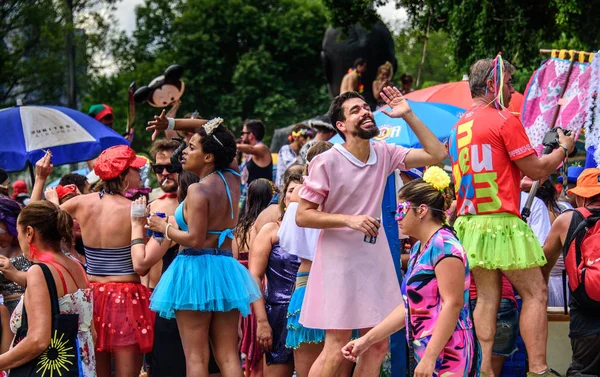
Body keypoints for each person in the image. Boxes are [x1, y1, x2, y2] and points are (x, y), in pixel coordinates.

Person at [295, 87, 447, 377]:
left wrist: (408, 114)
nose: (365, 111)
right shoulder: (326, 160)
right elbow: (303, 215)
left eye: (366, 107)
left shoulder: (384, 152)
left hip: (374, 259)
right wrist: (349, 220)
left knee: (377, 346)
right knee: (336, 346)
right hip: (338, 261)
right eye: (355, 110)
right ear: (341, 126)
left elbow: (437, 153)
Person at [448, 56, 575, 377]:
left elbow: (487, 176)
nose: (513, 89)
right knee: (535, 292)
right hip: (500, 224)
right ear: (493, 85)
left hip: (470, 225)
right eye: (509, 83)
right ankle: (538, 369)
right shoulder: (503, 120)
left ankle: (485, 370)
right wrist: (563, 150)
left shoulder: (458, 126)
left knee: (487, 298)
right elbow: (537, 168)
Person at [144, 117, 261, 376]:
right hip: (224, 269)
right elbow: (217, 129)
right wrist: (172, 122)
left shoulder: (197, 190)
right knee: (229, 354)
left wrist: (164, 228)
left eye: (192, 147)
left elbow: (195, 239)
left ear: (209, 157)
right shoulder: (232, 178)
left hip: (193, 270)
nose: (183, 152)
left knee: (196, 357)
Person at [31, 147, 154, 377]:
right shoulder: (135, 210)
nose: (140, 172)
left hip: (92, 296)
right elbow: (144, 262)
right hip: (126, 298)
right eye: (136, 168)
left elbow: (33, 218)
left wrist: (45, 189)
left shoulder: (81, 203)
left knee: (96, 373)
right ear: (123, 176)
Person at [342, 167, 478, 376]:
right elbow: (408, 306)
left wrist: (431, 357)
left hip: (450, 353)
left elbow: (453, 304)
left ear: (422, 210)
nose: (397, 217)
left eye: (401, 209)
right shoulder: (419, 248)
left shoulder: (445, 246)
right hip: (428, 350)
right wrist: (364, 341)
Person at [281, 141, 354, 377]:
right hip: (338, 284)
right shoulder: (348, 207)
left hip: (308, 281)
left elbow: (289, 244)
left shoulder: (295, 208)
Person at [0, 202, 94, 376]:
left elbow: (38, 340)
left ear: (29, 232)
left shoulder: (40, 271)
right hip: (82, 366)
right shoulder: (77, 266)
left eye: (19, 232)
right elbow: (91, 331)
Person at [542, 168, 600, 377]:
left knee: (584, 372)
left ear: (582, 197)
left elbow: (543, 266)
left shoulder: (567, 220)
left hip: (585, 321)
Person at [250, 173, 303, 377]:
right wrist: (262, 321)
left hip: (310, 312)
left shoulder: (319, 231)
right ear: (284, 197)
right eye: (291, 190)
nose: (297, 195)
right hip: (277, 315)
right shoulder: (270, 231)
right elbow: (254, 277)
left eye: (302, 190)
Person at [234, 178, 275, 377]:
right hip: (263, 286)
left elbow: (234, 261)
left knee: (250, 350)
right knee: (264, 351)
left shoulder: (240, 229)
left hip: (242, 290)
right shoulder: (268, 226)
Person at [143, 139, 182, 291]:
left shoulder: (193, 204)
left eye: (170, 167)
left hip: (184, 292)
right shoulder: (151, 206)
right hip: (153, 292)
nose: (164, 173)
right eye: (158, 168)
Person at [0, 198, 31, 314]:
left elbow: (48, 280)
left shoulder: (31, 242)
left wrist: (13, 273)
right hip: (8, 316)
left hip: (34, 308)